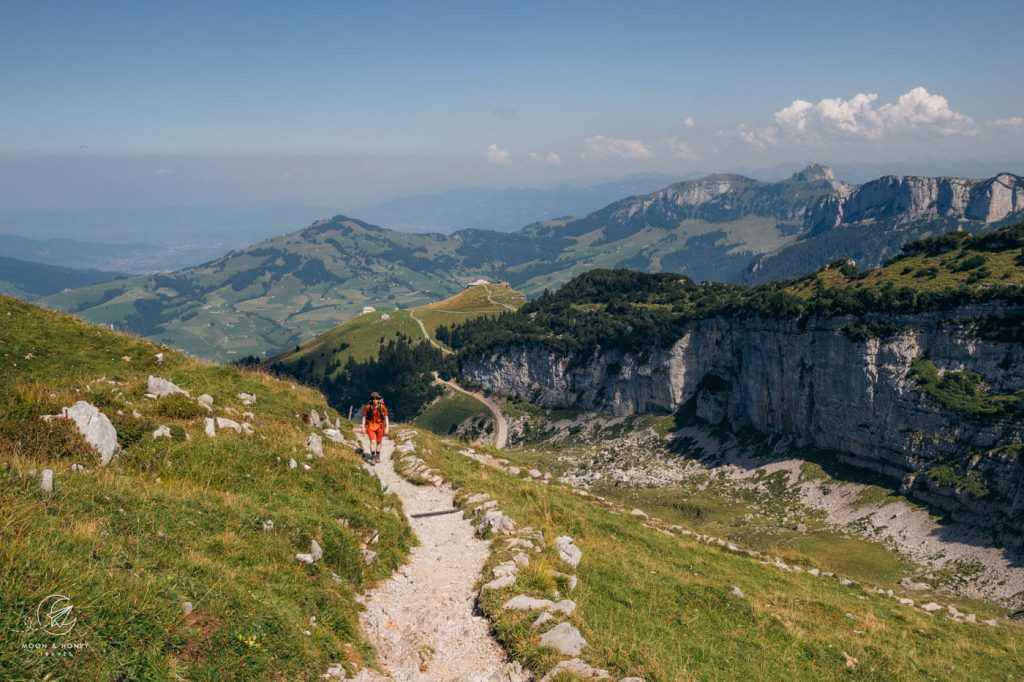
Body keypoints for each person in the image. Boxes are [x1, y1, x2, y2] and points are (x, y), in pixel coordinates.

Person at [361, 391, 389, 463]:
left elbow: (386, 417)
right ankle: (373, 457)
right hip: (370, 426)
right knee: (373, 441)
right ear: (371, 399)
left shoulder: (382, 406)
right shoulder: (368, 407)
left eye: (376, 398)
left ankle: (377, 456)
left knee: (379, 442)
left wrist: (387, 427)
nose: (375, 400)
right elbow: (364, 417)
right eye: (373, 398)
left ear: (379, 399)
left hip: (380, 426)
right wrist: (363, 427)